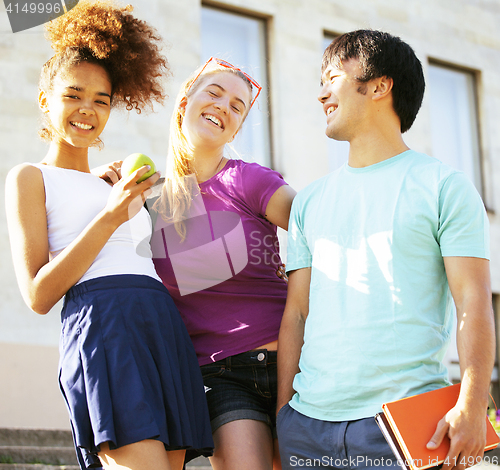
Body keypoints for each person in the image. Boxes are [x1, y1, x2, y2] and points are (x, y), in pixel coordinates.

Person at [4, 2, 213, 469]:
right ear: (45, 100)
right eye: (74, 95)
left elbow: (193, 259)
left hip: (159, 322)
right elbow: (38, 294)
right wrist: (111, 215)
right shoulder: (29, 178)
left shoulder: (113, 181)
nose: (87, 110)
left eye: (101, 100)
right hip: (105, 324)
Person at [276, 29, 494, 470]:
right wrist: (283, 415)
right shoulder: (309, 202)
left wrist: (473, 405)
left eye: (331, 77)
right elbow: (297, 312)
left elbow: (472, 300)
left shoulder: (444, 187)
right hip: (307, 427)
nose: (321, 95)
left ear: (379, 86)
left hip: (404, 424)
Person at [150, 57, 297, 470]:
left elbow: (319, 231)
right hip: (220, 376)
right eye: (214, 94)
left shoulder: (248, 179)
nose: (223, 107)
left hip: (295, 363)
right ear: (185, 101)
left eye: (237, 107)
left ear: (236, 128)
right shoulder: (149, 203)